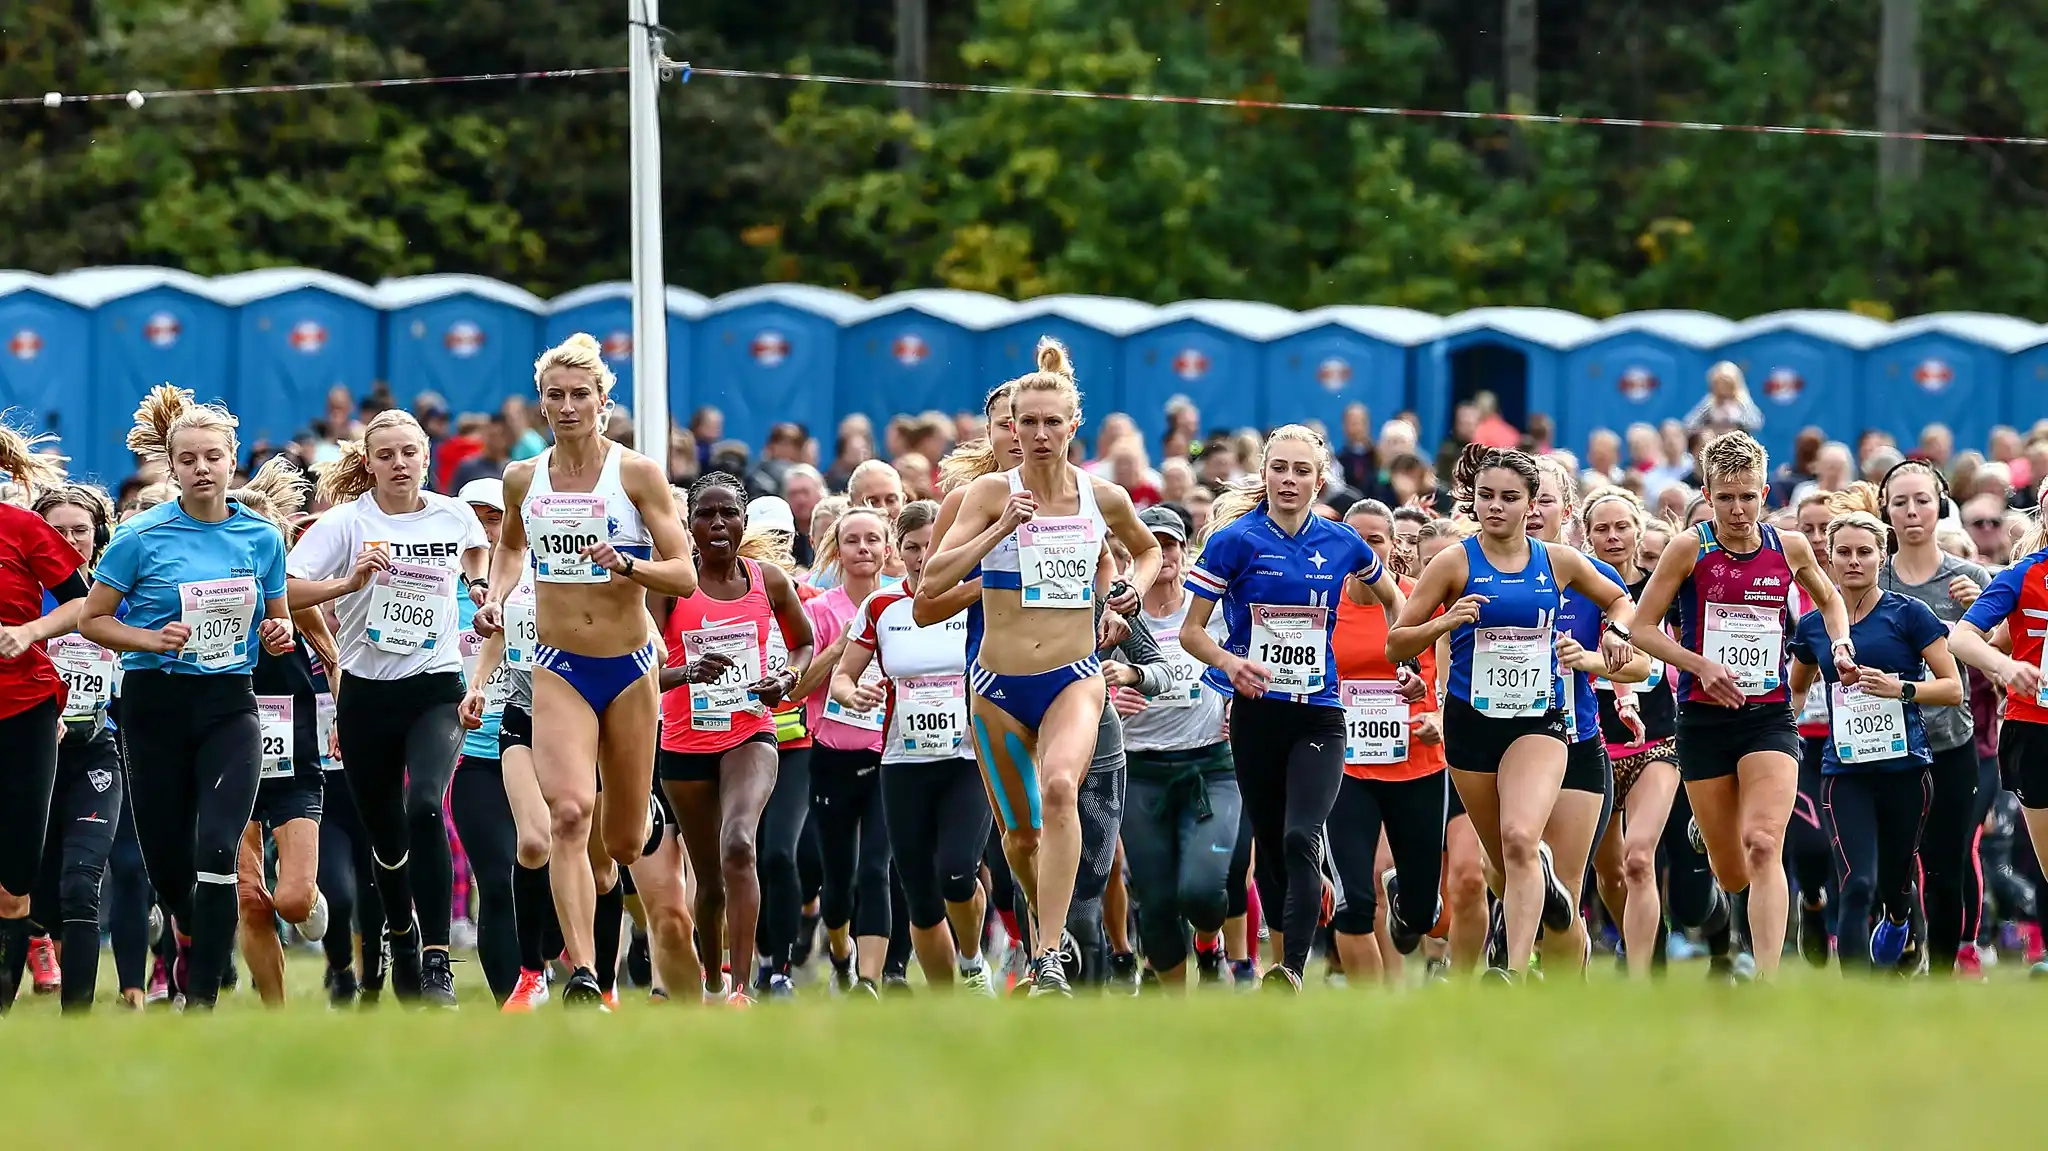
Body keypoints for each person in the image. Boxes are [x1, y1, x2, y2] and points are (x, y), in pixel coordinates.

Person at [920, 338, 1160, 997]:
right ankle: (1041, 934)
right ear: (1009, 428)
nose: (1039, 433)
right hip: (996, 689)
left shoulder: (1100, 496)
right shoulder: (989, 494)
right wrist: (998, 531)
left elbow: (1146, 551)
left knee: (1060, 788)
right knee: (1020, 841)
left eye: (1053, 422)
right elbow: (930, 584)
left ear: (1073, 427)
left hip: (1072, 677)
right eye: (1027, 422)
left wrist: (1130, 592)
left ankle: (1050, 956)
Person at [476, 334, 698, 1008]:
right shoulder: (524, 478)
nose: (568, 406)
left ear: (604, 403)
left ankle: (627, 837)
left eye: (581, 395)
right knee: (568, 814)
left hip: (629, 669)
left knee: (621, 841)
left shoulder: (636, 475)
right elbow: (511, 547)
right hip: (557, 665)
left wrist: (626, 563)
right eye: (556, 396)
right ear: (540, 405)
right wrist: (495, 592)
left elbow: (684, 574)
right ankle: (587, 976)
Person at [80, 386, 296, 1011]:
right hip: (154, 704)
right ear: (171, 467)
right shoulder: (139, 537)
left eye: (213, 457)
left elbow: (276, 623)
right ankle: (189, 928)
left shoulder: (262, 538)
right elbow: (93, 620)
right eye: (189, 459)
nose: (202, 469)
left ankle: (202, 994)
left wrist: (278, 633)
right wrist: (152, 637)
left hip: (230, 704)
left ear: (233, 462)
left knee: (218, 846)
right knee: (171, 864)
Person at [1387, 445, 1636, 982]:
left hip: (1538, 721)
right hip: (1471, 726)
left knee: (1521, 839)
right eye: (1486, 496)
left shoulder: (1559, 562)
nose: (1496, 507)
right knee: (1500, 865)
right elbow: (1397, 641)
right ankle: (1543, 902)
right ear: (1473, 501)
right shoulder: (1454, 562)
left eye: (1509, 498)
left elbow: (1621, 600)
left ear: (1531, 505)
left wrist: (1614, 630)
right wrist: (1444, 621)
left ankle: (1515, 972)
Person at [1180, 425, 1400, 991]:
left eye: (1302, 471)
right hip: (1256, 715)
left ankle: (1292, 970)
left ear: (1319, 481)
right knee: (1276, 849)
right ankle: (1286, 945)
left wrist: (1404, 651)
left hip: (1319, 712)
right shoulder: (1234, 541)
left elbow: (1395, 597)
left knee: (1303, 836)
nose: (1290, 479)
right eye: (1280, 468)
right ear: (1265, 474)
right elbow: (1190, 633)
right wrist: (1231, 666)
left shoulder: (1343, 542)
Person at [1627, 431, 1851, 982]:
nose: (1737, 509)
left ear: (1765, 493)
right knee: (1731, 873)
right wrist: (1701, 665)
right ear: (1707, 492)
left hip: (1768, 716)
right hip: (1703, 719)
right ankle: (1716, 855)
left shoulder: (1789, 547)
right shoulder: (1690, 549)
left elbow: (1829, 599)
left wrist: (1839, 640)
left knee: (1763, 843)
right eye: (1725, 497)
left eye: (1748, 496)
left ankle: (1770, 980)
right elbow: (1640, 627)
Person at [286, 409, 489, 1007]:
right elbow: (288, 588)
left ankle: (434, 963)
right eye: (387, 455)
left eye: (410, 453)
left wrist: (478, 589)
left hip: (435, 686)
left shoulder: (452, 512)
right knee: (386, 839)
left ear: (426, 457)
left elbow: (476, 549)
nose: (399, 464)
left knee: (425, 803)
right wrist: (347, 585)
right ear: (368, 463)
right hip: (366, 695)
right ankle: (399, 940)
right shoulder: (346, 523)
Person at [656, 472, 812, 1005]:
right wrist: (687, 673)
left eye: (729, 514)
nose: (718, 524)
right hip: (684, 741)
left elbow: (803, 645)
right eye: (706, 514)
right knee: (709, 879)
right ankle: (712, 982)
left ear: (743, 522)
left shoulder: (768, 580)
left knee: (740, 844)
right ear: (689, 524)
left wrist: (785, 679)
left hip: (749, 730)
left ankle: (743, 988)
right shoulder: (671, 586)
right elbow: (641, 670)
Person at [1788, 503, 1963, 972]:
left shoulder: (1909, 614)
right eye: (1842, 552)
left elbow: (1953, 688)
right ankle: (1855, 994)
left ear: (1880, 557)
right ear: (1828, 558)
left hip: (1907, 770)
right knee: (1856, 883)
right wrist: (1779, 735)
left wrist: (1900, 687)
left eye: (1864, 552)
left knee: (1894, 884)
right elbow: (1797, 688)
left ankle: (1901, 917)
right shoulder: (1814, 625)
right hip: (1843, 773)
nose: (1852, 561)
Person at [833, 500, 995, 994]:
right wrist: (851, 692)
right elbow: (843, 674)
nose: (924, 557)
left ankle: (971, 962)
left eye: (933, 546)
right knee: (921, 898)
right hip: (903, 762)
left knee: (955, 873)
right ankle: (946, 1008)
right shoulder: (880, 607)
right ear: (896, 555)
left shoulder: (979, 598)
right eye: (912, 548)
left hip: (968, 758)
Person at [1528, 458, 1653, 975]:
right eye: (1520, 498)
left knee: (1567, 887)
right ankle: (1511, 942)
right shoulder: (1471, 566)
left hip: (1573, 743)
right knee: (1495, 867)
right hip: (1492, 743)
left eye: (1544, 500)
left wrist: (1597, 658)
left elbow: (1642, 660)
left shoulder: (1590, 576)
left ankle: (1560, 990)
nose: (1532, 511)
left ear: (1567, 509)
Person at [230, 460, 341, 1006]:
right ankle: (276, 1016)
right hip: (226, 758)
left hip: (293, 761)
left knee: (292, 902)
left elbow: (332, 658)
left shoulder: (292, 597)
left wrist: (344, 714)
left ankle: (307, 894)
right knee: (250, 899)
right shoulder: (207, 599)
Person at [1874, 464, 1992, 976]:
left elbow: (1997, 660)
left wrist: (1980, 625)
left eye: (1921, 500)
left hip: (1949, 742)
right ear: (1887, 510)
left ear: (1940, 504)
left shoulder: (1971, 581)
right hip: (1880, 743)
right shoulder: (1871, 578)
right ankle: (1899, 944)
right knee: (1891, 863)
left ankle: (1942, 971)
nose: (1912, 512)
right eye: (1900, 502)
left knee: (1945, 866)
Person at [1118, 505, 1240, 991]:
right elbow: (1081, 679)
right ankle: (1174, 1012)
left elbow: (1246, 659)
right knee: (1156, 901)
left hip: (1211, 766)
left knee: (1204, 888)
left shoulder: (1209, 608)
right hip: (1142, 769)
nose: (1163, 554)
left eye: (1170, 544)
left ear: (1183, 550)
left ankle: (1210, 945)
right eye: (1153, 544)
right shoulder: (1114, 614)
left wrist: (1236, 702)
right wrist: (1110, 696)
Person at [1326, 499, 1446, 987]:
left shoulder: (1420, 600)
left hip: (1416, 763)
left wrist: (1433, 708)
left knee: (1420, 914)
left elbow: (1446, 674)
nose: (1362, 548)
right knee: (1353, 901)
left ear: (1393, 547)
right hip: (1343, 766)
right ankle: (1371, 1010)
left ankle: (1409, 900)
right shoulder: (1323, 603)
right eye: (1354, 537)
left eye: (1375, 539)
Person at [0, 461, 97, 1012]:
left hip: (23, 709)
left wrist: (29, 632)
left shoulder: (21, 528)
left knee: (15, 877)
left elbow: (86, 602)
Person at [1580, 488, 1684, 978]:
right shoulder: (1572, 589)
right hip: (1593, 741)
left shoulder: (1661, 590)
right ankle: (1640, 940)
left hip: (1657, 740)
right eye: (1602, 528)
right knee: (1610, 871)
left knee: (1640, 858)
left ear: (1638, 531)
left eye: (1622, 526)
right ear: (1587, 534)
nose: (1613, 536)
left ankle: (1643, 978)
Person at [791, 507, 895, 996]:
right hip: (831, 755)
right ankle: (840, 956)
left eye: (872, 539)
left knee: (875, 868)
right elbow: (795, 691)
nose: (863, 549)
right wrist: (841, 650)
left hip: (887, 754)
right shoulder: (818, 611)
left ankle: (870, 980)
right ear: (836, 549)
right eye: (852, 540)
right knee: (835, 881)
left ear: (886, 548)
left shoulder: (901, 606)